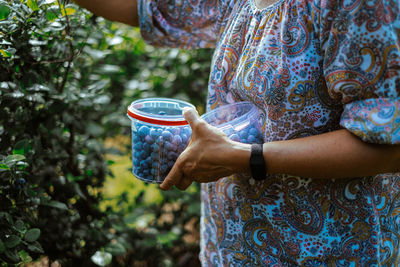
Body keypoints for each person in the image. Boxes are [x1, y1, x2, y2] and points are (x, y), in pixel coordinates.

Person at [75, 0, 400, 265]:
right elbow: (148, 9)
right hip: (232, 249)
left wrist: (250, 158)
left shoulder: (360, 5)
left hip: (330, 254)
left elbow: (389, 145)